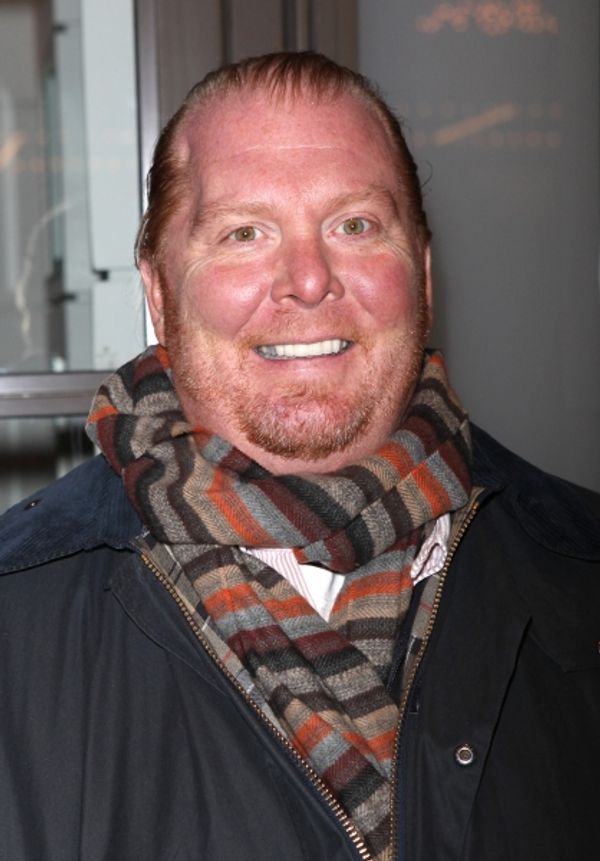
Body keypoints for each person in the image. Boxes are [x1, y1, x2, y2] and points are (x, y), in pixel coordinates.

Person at [0, 52, 598, 861]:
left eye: (355, 224)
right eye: (245, 233)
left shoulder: (578, 571)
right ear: (159, 295)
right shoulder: (19, 625)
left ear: (420, 271)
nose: (309, 280)